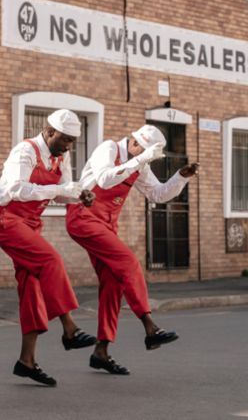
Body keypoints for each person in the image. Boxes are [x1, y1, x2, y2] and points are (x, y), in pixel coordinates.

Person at [67, 124, 198, 375]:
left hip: (106, 225)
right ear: (135, 143)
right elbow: (105, 179)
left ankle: (101, 351)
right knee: (129, 263)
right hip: (83, 218)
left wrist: (181, 176)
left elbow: (158, 195)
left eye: (149, 155)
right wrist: (141, 161)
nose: (146, 158)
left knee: (114, 283)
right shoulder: (108, 148)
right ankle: (150, 327)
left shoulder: (140, 164)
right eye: (145, 152)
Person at [0, 109, 98, 387]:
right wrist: (61, 190)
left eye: (73, 141)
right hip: (6, 218)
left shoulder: (61, 156)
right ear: (49, 132)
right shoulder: (24, 152)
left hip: (30, 222)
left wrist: (77, 195)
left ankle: (26, 361)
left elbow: (62, 191)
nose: (69, 146)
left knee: (31, 286)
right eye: (65, 140)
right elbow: (17, 190)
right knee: (51, 260)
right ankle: (70, 328)